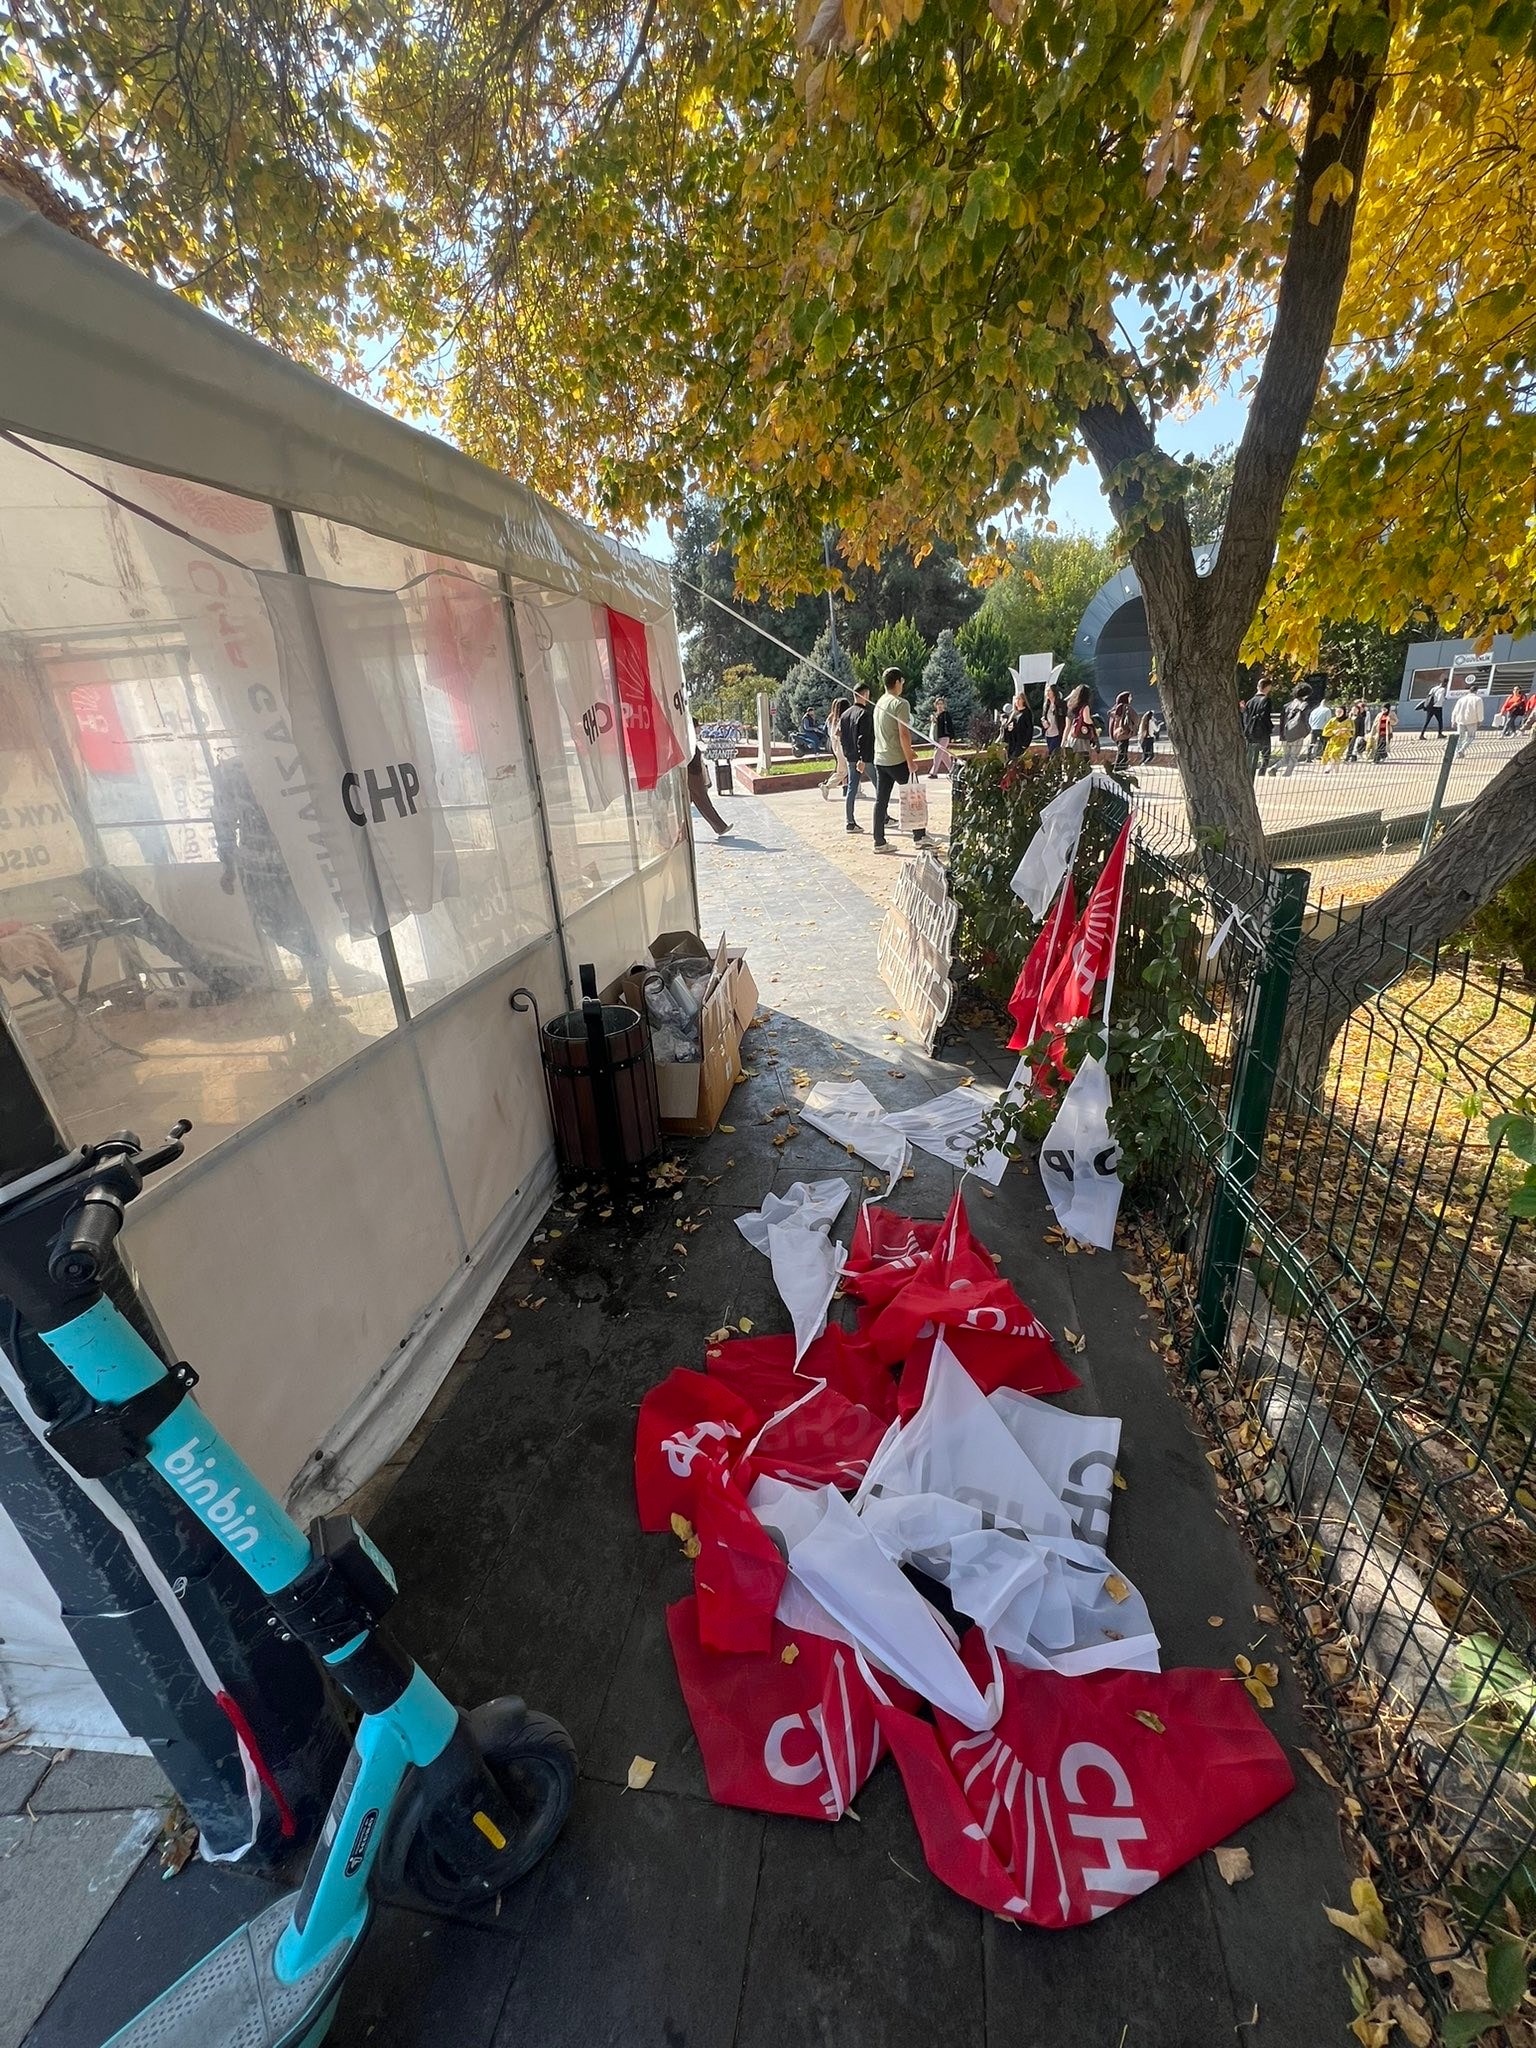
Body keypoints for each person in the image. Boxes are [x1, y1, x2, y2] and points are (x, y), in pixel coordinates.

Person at [871, 667, 923, 853]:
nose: (903, 684)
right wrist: (909, 759)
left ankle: (879, 841)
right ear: (898, 682)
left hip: (881, 758)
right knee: (913, 795)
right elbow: (903, 733)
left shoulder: (879, 702)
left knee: (881, 800)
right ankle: (920, 836)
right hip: (896, 759)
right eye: (902, 681)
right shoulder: (901, 704)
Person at [838, 684, 875, 833]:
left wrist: (849, 755)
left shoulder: (845, 714)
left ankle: (850, 821)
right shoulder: (864, 714)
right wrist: (862, 758)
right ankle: (883, 816)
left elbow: (842, 738)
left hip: (851, 756)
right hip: (864, 758)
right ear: (865, 695)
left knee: (852, 788)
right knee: (879, 784)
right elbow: (864, 738)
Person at [1242, 680, 1275, 776]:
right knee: (1265, 755)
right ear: (1268, 687)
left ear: (1258, 686)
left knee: (1250, 754)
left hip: (1250, 731)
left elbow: (1246, 717)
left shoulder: (1250, 702)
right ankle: (1261, 773)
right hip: (1262, 731)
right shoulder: (1266, 700)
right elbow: (1265, 717)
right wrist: (1270, 728)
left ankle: (1248, 773)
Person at [822, 695, 849, 801]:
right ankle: (827, 786)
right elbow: (839, 733)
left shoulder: (831, 718)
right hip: (841, 746)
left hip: (835, 746)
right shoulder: (841, 719)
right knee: (845, 770)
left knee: (844, 770)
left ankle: (855, 790)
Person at [1276, 693, 1310, 773]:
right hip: (1297, 734)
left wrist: (1281, 735)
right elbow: (1304, 720)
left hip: (1285, 733)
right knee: (1294, 756)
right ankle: (1287, 773)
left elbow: (1282, 721)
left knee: (1286, 756)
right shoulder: (1304, 705)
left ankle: (1274, 767)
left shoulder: (1286, 706)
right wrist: (1307, 731)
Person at [1063, 685, 1099, 755]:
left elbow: (1067, 727)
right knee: (1083, 759)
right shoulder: (1085, 706)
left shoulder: (1071, 706)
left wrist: (1063, 741)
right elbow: (1086, 720)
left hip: (1071, 736)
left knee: (1072, 759)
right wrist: (1094, 724)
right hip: (1081, 737)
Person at [1000, 690, 1034, 761]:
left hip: (1020, 743)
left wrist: (1025, 744)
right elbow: (1007, 726)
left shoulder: (1027, 713)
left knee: (1015, 761)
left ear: (1023, 700)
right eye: (1016, 699)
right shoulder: (1013, 713)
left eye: (1019, 699)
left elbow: (1029, 729)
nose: (1017, 701)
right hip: (1011, 743)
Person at [1107, 690, 1136, 771]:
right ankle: (1118, 766)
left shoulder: (1117, 706)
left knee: (1123, 749)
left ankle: (1123, 765)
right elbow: (1120, 719)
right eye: (1129, 697)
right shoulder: (1122, 706)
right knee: (1122, 750)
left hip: (1119, 733)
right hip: (1122, 732)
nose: (1131, 699)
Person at [929, 694, 955, 778]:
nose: (939, 706)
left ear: (944, 705)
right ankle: (952, 771)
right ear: (935, 705)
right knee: (944, 755)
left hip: (945, 737)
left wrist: (952, 737)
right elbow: (934, 728)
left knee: (937, 754)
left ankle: (934, 772)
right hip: (938, 738)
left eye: (941, 704)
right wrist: (933, 720)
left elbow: (950, 726)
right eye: (938, 704)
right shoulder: (935, 715)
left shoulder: (945, 714)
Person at [1452, 685, 1484, 750]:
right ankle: (1462, 749)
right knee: (1470, 737)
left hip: (1460, 720)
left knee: (1460, 737)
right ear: (1476, 691)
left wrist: (1453, 720)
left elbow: (1455, 710)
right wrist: (1480, 720)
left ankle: (1457, 750)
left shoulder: (1461, 699)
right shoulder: (1478, 699)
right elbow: (1479, 711)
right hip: (1472, 721)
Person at [1041, 682, 1067, 754]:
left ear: (1054, 692)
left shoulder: (1061, 704)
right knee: (1051, 752)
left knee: (1053, 753)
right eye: (1047, 691)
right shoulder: (1046, 705)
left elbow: (1064, 717)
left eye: (1049, 691)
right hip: (1048, 733)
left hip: (1057, 733)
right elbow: (1043, 716)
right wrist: (1044, 721)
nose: (1047, 693)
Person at [1307, 695, 1333, 760]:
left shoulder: (1314, 710)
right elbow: (1328, 720)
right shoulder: (1327, 710)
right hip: (1323, 729)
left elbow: (1310, 720)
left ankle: (1308, 757)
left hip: (1314, 728)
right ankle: (1322, 756)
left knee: (1312, 742)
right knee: (1324, 742)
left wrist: (1312, 726)